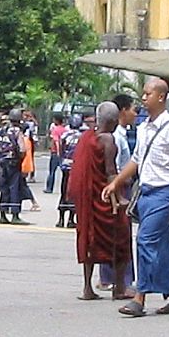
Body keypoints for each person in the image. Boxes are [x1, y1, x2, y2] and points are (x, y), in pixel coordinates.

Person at [102, 78, 169, 317]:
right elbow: (136, 161)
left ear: (161, 97)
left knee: (145, 240)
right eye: (143, 94)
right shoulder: (143, 129)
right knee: (163, 246)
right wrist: (116, 183)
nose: (143, 98)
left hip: (166, 193)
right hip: (146, 192)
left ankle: (140, 297)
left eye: (147, 94)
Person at [69, 102, 133, 301]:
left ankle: (87, 288)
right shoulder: (108, 140)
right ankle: (119, 287)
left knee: (88, 237)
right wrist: (120, 198)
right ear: (113, 122)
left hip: (88, 198)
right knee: (122, 239)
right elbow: (110, 172)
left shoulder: (86, 137)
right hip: (105, 198)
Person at [98, 94, 137, 292]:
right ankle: (120, 281)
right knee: (119, 235)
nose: (135, 113)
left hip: (120, 185)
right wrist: (119, 196)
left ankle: (112, 278)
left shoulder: (121, 135)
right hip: (118, 187)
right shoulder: (115, 137)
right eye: (133, 109)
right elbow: (112, 170)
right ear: (122, 111)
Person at [0, 108, 29, 225]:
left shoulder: (0, 131)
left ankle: (3, 214)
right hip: (13, 163)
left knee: (3, 188)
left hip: (1, 163)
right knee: (14, 188)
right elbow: (22, 149)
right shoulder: (17, 132)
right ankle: (15, 214)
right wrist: (21, 159)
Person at [57, 114, 83, 228]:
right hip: (76, 168)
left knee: (63, 191)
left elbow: (61, 150)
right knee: (73, 193)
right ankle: (71, 220)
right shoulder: (82, 137)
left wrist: (62, 160)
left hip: (65, 166)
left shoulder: (64, 135)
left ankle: (61, 220)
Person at [45, 114, 66, 194]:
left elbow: (57, 141)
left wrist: (57, 152)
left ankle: (49, 188)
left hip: (55, 152)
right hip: (63, 153)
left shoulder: (55, 130)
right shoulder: (64, 130)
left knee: (52, 171)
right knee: (64, 172)